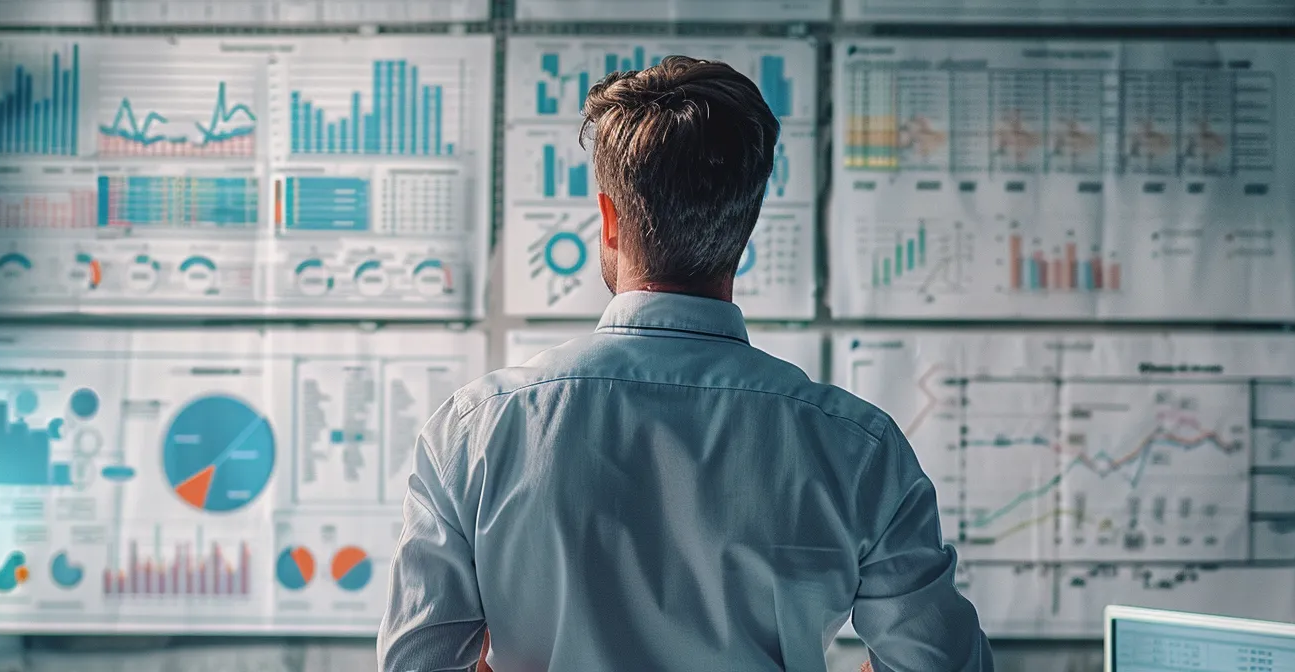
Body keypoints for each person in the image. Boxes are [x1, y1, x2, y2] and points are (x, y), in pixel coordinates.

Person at [379, 55, 993, 672]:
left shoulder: (475, 430)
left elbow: (415, 663)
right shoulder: (858, 447)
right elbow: (940, 663)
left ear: (610, 220)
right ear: (746, 227)